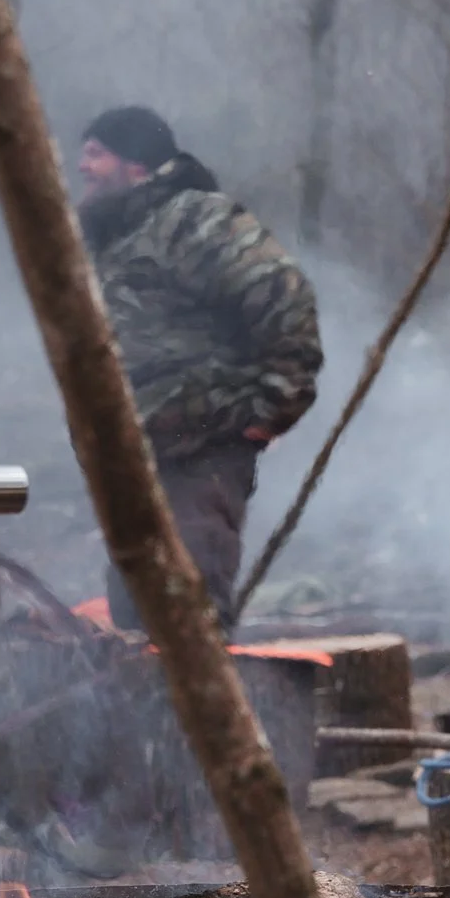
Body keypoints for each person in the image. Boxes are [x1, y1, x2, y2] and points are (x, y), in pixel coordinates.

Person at [75, 107, 321, 626]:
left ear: (137, 164)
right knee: (135, 618)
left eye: (96, 153)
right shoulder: (117, 238)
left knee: (189, 616)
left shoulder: (193, 219)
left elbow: (282, 291)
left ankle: (202, 712)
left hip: (200, 454)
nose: (81, 166)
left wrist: (271, 409)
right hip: (134, 463)